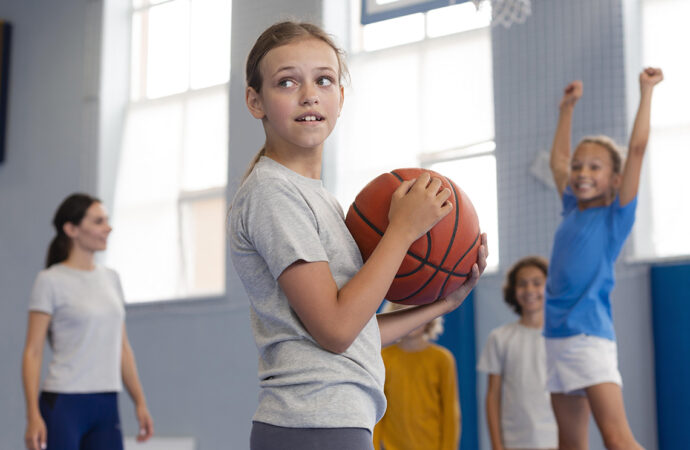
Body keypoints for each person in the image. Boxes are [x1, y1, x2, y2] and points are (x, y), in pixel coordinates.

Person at [228, 21, 488, 450]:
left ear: (340, 98)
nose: (309, 93)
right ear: (256, 101)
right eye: (287, 81)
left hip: (332, 422)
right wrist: (403, 230)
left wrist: (445, 303)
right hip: (311, 424)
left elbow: (356, 332)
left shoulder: (318, 199)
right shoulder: (273, 193)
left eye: (323, 80)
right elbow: (335, 329)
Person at [545, 68, 663, 450]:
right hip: (556, 337)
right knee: (570, 444)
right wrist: (567, 109)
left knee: (617, 439)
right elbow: (558, 160)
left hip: (588, 337)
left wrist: (646, 92)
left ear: (615, 178)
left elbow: (639, 149)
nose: (581, 173)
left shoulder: (615, 217)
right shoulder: (570, 208)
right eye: (579, 166)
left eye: (595, 167)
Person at [21, 193, 153, 450]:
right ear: (71, 229)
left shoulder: (111, 279)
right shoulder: (50, 281)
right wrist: (32, 415)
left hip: (106, 405)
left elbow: (122, 348)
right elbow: (33, 352)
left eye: (107, 220)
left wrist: (140, 402)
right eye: (98, 221)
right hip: (64, 405)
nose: (108, 227)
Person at [477, 256, 557, 450]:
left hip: (556, 440)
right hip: (514, 442)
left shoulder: (561, 338)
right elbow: (493, 396)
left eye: (537, 283)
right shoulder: (500, 338)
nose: (530, 290)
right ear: (513, 291)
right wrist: (497, 444)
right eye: (522, 284)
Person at [373, 302, 460, 450]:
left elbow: (450, 413)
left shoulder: (442, 359)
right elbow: (378, 410)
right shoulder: (383, 358)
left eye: (415, 312)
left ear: (429, 318)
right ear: (393, 318)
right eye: (403, 313)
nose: (411, 320)